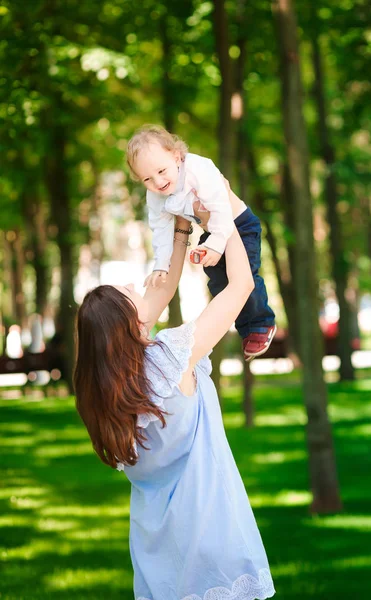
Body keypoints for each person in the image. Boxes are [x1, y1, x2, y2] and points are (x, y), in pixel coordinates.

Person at [74, 214, 275, 600]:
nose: (137, 285)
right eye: (128, 290)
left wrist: (181, 227)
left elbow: (161, 291)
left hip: (158, 554)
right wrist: (225, 221)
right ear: (132, 321)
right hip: (212, 536)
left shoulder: (107, 394)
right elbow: (240, 286)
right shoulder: (168, 359)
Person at [126, 125, 276, 361]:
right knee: (217, 279)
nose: (157, 181)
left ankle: (261, 323)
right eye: (147, 178)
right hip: (211, 229)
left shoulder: (198, 169)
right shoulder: (155, 195)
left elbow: (220, 207)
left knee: (245, 274)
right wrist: (161, 265)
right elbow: (161, 230)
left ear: (176, 156)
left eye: (161, 171)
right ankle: (241, 326)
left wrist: (216, 244)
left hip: (238, 224)